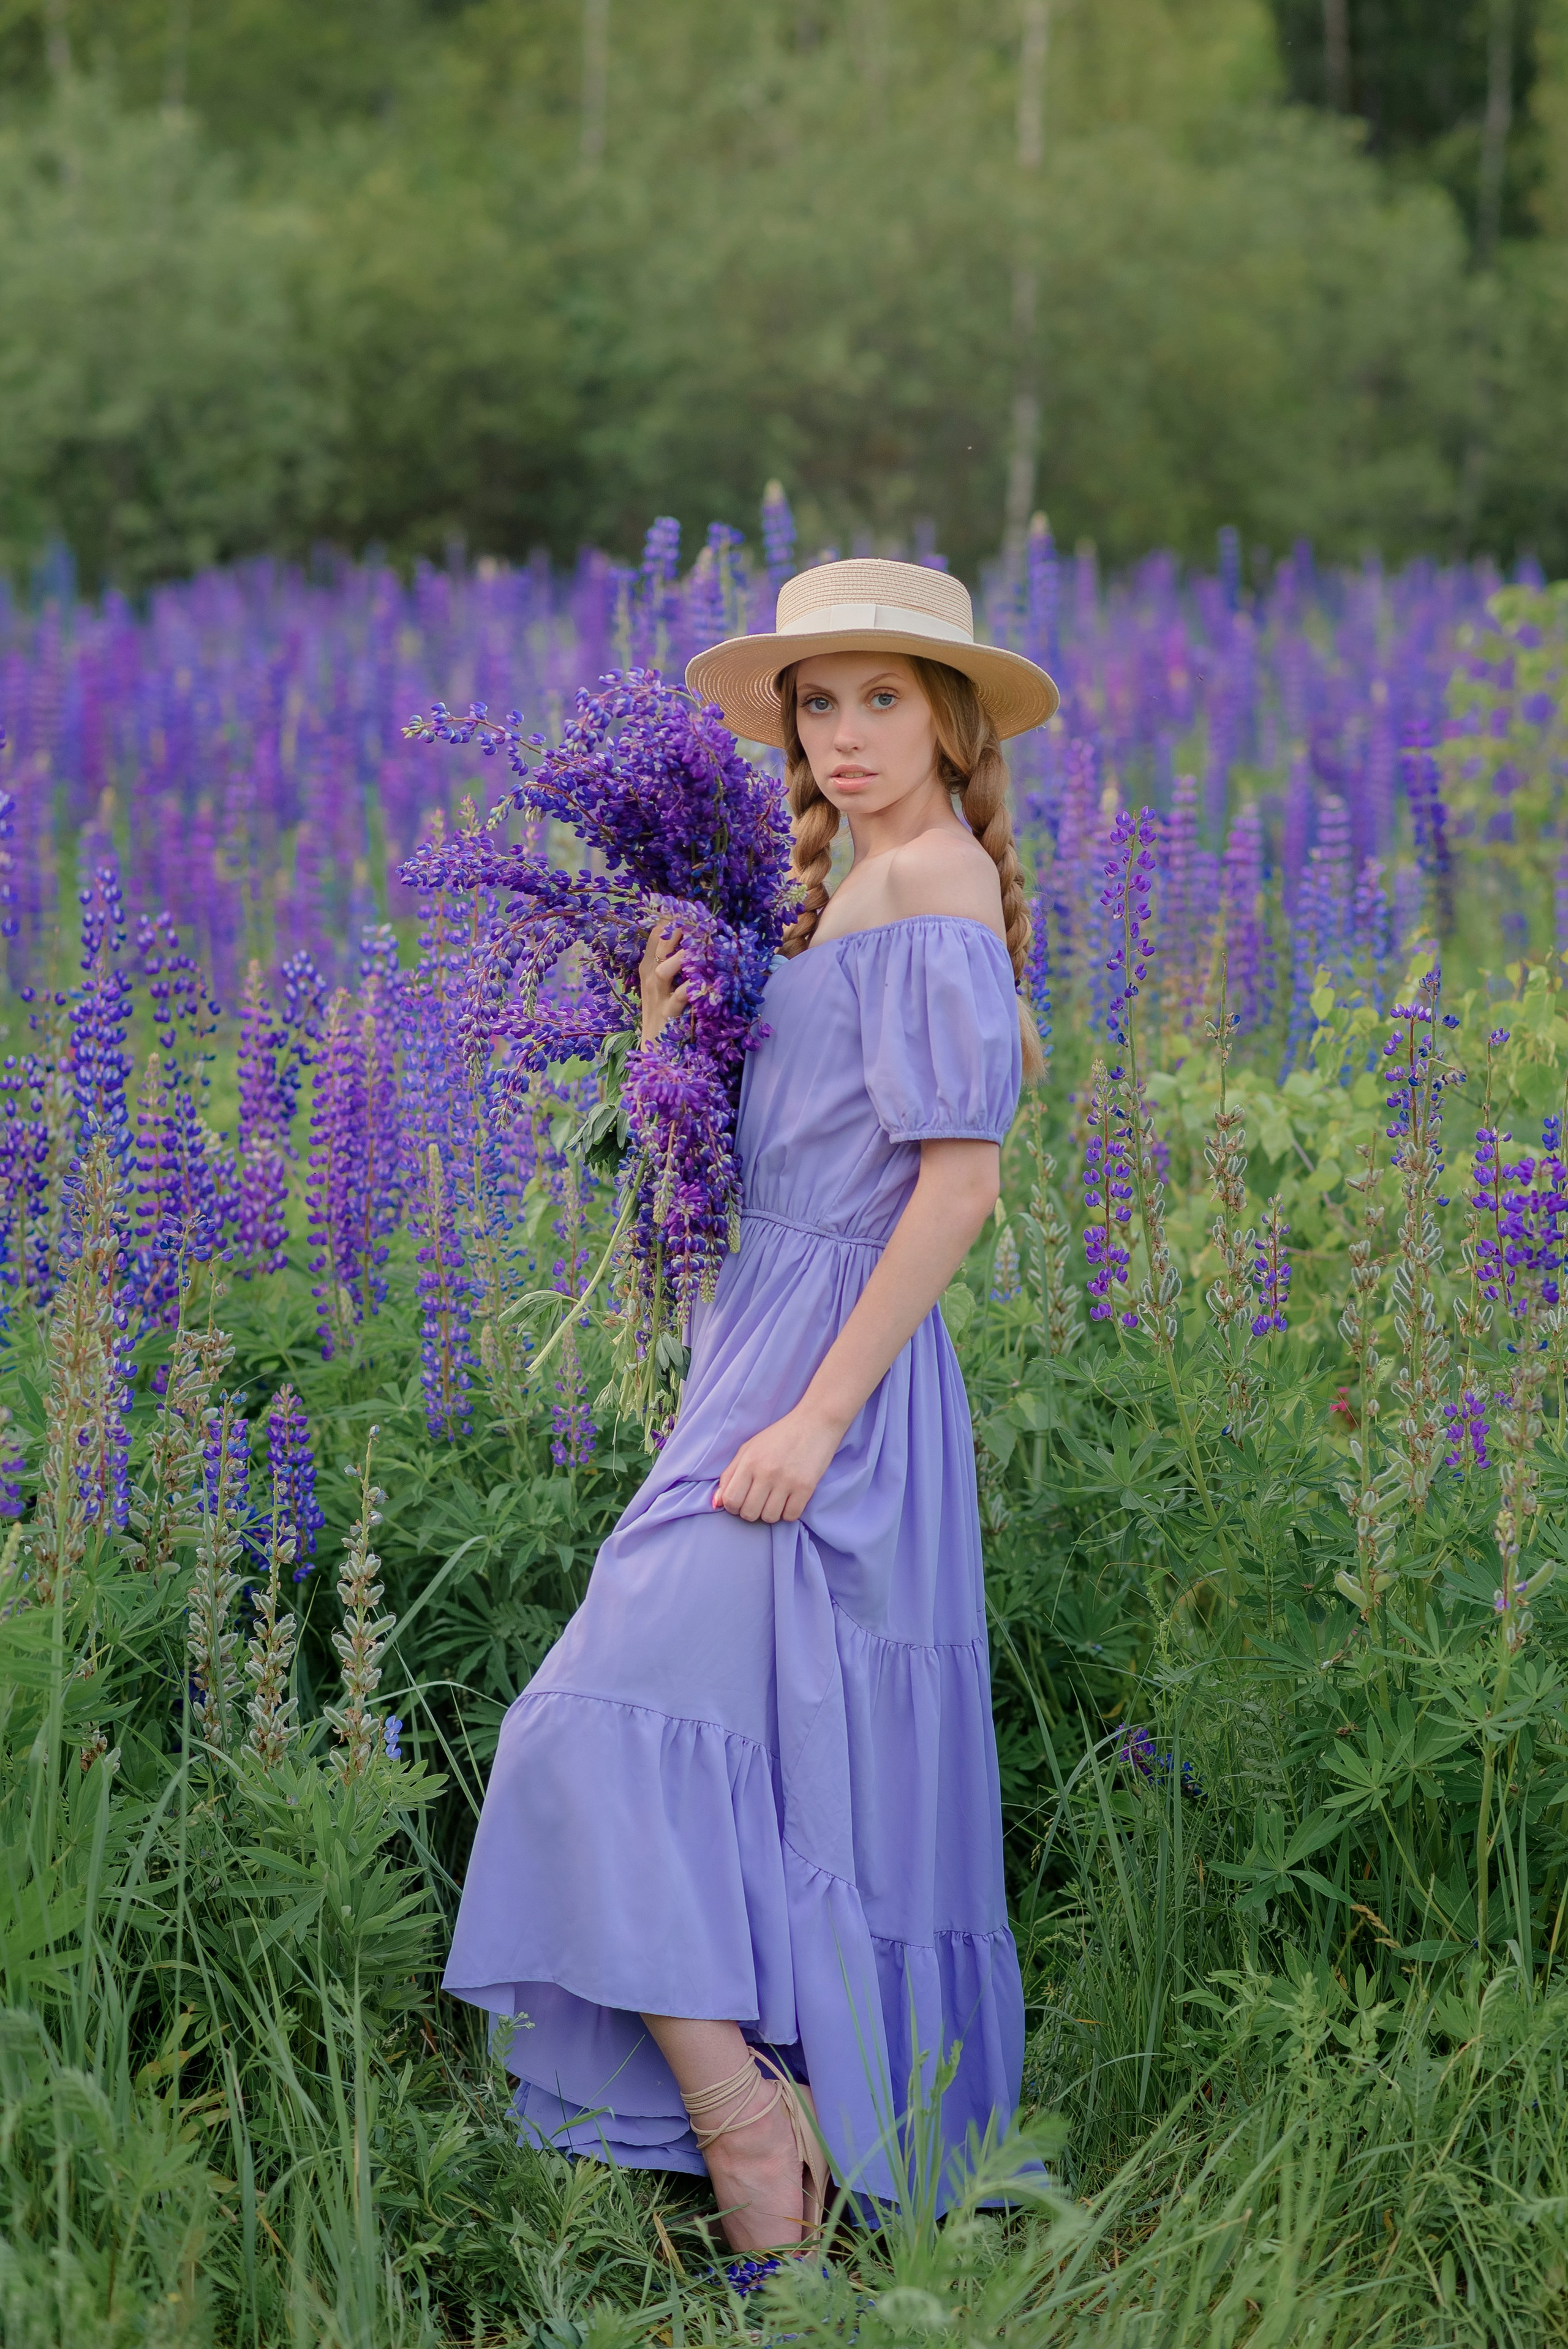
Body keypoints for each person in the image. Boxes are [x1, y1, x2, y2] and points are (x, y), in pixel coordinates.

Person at [443, 557, 1059, 2252]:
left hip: (829, 1387)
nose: (845, 731)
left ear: (950, 718)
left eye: (882, 696)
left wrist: (816, 1420)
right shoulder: (835, 899)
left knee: (584, 1722)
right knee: (731, 1748)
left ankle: (756, 2149)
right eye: (817, 699)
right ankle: (773, 2138)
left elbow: (957, 1190)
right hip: (758, 1345)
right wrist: (664, 1053)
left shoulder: (932, 891)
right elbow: (720, 1194)